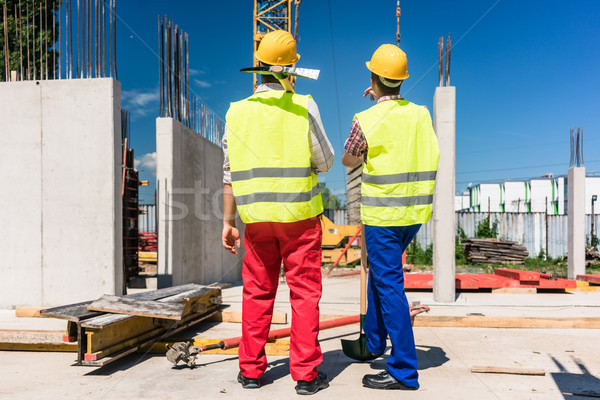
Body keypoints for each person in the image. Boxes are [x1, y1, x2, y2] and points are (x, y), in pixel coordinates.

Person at [221, 30, 334, 395]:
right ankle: (305, 375)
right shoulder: (305, 106)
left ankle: (251, 371)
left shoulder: (236, 113)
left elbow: (229, 175)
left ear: (258, 70)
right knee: (303, 294)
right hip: (299, 219)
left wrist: (227, 222)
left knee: (257, 292)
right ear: (290, 72)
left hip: (255, 221)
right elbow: (326, 161)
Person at [341, 44, 440, 390]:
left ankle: (403, 370)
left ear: (373, 79)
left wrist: (371, 118)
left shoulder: (365, 120)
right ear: (401, 82)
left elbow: (348, 160)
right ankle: (372, 341)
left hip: (383, 216)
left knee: (388, 285)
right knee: (380, 278)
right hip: (413, 215)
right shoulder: (421, 114)